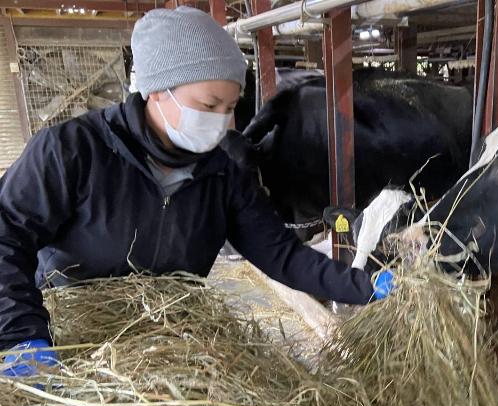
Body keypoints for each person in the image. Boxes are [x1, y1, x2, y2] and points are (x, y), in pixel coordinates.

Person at [0, 7, 392, 377]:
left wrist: (364, 285)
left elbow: (282, 256)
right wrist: (22, 335)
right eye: (208, 104)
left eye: (230, 106)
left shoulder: (224, 172)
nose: (220, 120)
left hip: (169, 344)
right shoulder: (71, 151)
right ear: (157, 91)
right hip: (75, 341)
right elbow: (7, 236)